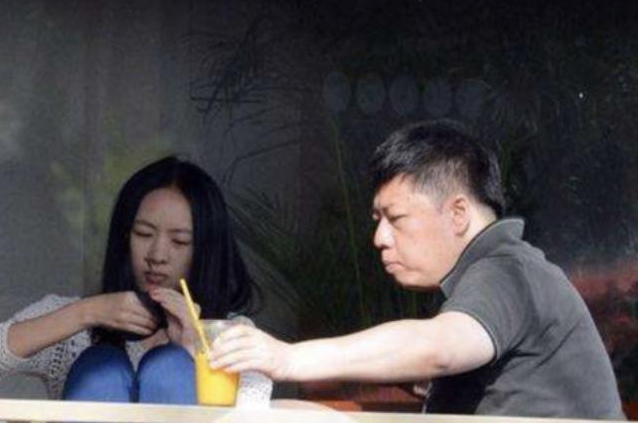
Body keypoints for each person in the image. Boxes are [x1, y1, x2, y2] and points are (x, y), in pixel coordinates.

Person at [209, 120, 624, 419]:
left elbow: (438, 347)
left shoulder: (506, 271)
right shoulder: (502, 271)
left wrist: (285, 358)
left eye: (396, 218)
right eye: (377, 220)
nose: (379, 238)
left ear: (458, 213)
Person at [0, 156, 272, 406]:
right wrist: (85, 313)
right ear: (124, 238)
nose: (157, 255)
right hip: (93, 353)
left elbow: (253, 413)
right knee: (101, 368)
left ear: (205, 250)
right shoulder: (78, 330)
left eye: (179, 241)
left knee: (168, 367)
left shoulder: (231, 333)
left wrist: (194, 347)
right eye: (144, 234)